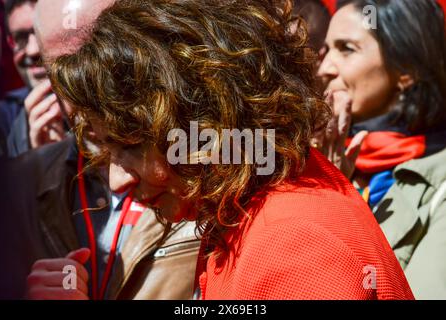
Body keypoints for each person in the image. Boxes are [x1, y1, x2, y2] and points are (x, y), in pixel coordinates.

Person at [51, 0, 414, 299]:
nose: (116, 181)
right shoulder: (247, 202)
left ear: (208, 117)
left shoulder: (293, 242)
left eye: (130, 146)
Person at [0, 0, 200, 300]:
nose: (88, 95)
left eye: (104, 65)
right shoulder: (12, 188)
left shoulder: (214, 172)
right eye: (67, 74)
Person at [317, 0, 446, 299]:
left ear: (406, 70)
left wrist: (335, 203)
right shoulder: (325, 157)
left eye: (346, 48)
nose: (324, 68)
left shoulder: (438, 184)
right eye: (326, 50)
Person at [0, 0, 65, 158]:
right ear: (10, 42)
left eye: (42, 32)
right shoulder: (4, 120)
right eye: (20, 38)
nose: (33, 50)